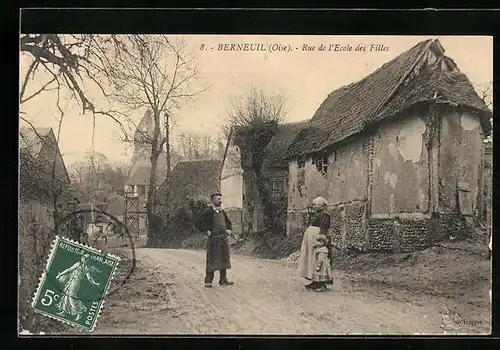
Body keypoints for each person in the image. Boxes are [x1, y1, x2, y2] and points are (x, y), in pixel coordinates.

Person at [196, 192, 234, 288]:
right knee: (212, 260)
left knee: (224, 259)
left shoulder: (222, 211)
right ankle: (208, 281)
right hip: (214, 239)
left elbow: (228, 222)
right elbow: (198, 221)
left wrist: (229, 229)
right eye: (218, 199)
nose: (220, 201)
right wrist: (206, 230)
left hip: (223, 239)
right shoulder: (209, 211)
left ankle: (223, 280)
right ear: (213, 200)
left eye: (220, 199)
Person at [297, 196, 333, 292]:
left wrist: (320, 240)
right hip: (312, 240)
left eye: (315, 205)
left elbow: (323, 228)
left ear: (321, 205)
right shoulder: (318, 214)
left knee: (319, 260)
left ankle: (321, 283)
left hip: (318, 240)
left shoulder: (325, 214)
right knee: (312, 260)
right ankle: (315, 281)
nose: (313, 206)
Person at [54, 254, 100, 321]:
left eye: (85, 258)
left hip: (76, 283)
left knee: (71, 297)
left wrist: (95, 283)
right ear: (82, 258)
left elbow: (89, 278)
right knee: (66, 296)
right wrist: (60, 275)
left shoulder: (86, 268)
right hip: (71, 281)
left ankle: (79, 313)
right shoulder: (78, 264)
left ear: (87, 260)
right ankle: (63, 312)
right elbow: (69, 270)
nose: (83, 259)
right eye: (83, 257)